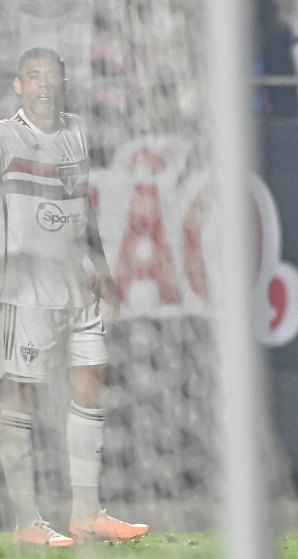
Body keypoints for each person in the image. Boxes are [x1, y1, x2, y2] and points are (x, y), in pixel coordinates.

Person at [0, 47, 150, 546]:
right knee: (19, 398)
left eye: (52, 76)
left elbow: (81, 205)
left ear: (65, 83)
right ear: (18, 85)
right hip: (25, 291)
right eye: (32, 76)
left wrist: (104, 269)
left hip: (78, 286)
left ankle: (85, 513)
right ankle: (26, 521)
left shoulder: (76, 131)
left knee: (90, 387)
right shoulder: (5, 136)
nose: (43, 84)